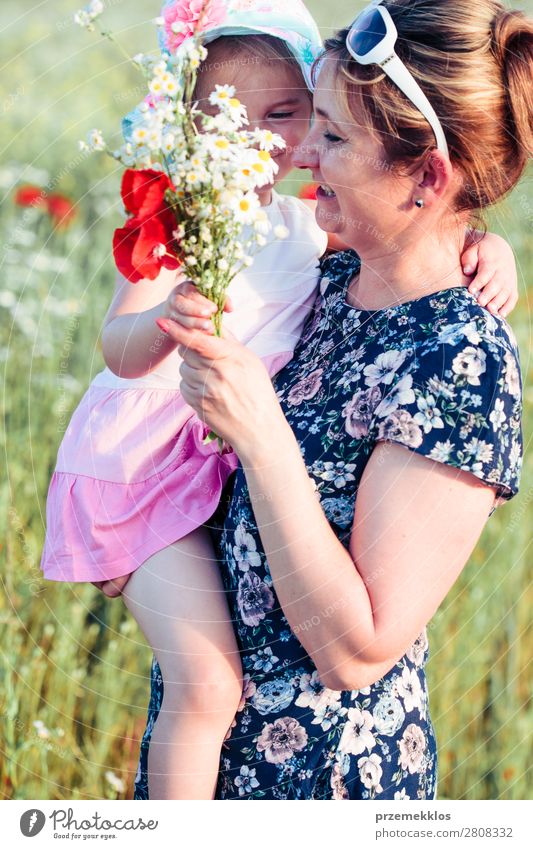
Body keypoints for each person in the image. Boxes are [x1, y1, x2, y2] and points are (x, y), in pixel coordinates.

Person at [133, 0, 530, 799]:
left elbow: (357, 652)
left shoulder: (458, 361)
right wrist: (137, 534)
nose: (300, 151)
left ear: (425, 177)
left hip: (323, 783)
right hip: (204, 766)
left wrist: (260, 432)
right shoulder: (333, 279)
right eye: (312, 120)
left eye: (335, 136)